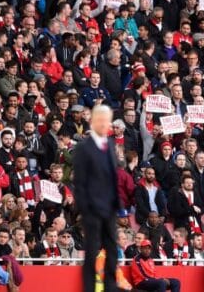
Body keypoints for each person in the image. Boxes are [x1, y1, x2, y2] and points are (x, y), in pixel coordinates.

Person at [73, 105, 120, 292]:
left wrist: (117, 204)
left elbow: (112, 176)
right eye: (100, 120)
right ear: (92, 121)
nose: (103, 124)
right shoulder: (84, 148)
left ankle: (110, 287)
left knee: (112, 250)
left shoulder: (110, 145)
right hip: (92, 209)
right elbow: (80, 181)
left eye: (106, 120)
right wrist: (84, 208)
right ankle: (89, 289)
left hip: (109, 207)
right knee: (92, 253)